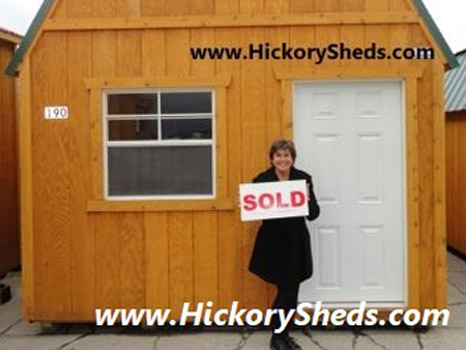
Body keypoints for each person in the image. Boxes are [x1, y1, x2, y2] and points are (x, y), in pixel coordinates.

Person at [248, 139, 320, 350]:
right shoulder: (262, 180)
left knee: (292, 290)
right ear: (272, 159)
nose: (282, 159)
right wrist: (246, 203)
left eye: (286, 155)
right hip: (273, 242)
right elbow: (255, 212)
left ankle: (282, 335)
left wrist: (307, 199)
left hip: (296, 241)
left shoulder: (303, 179)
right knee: (287, 290)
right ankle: (279, 336)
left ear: (292, 158)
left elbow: (314, 214)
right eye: (278, 155)